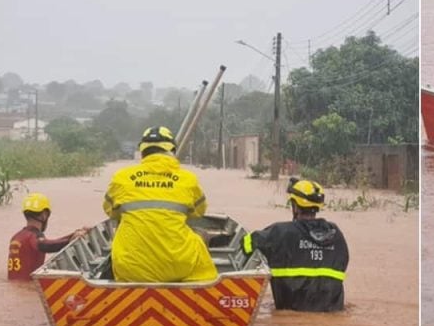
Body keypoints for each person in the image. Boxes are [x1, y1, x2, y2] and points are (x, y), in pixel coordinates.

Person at [103, 126, 218, 283]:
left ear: (142, 151)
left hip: (130, 269)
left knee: (119, 232)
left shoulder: (122, 178)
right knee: (201, 235)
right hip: (179, 266)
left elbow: (110, 211)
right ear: (172, 150)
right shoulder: (188, 179)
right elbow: (198, 212)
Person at [242, 178, 349, 312]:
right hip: (331, 315)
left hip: (291, 312)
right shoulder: (336, 234)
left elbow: (245, 246)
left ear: (295, 206)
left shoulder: (279, 233)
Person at [8, 193, 88, 281]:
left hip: (18, 287)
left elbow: (50, 242)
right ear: (44, 215)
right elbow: (45, 245)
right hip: (29, 286)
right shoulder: (33, 237)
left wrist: (74, 234)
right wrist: (69, 241)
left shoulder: (17, 236)